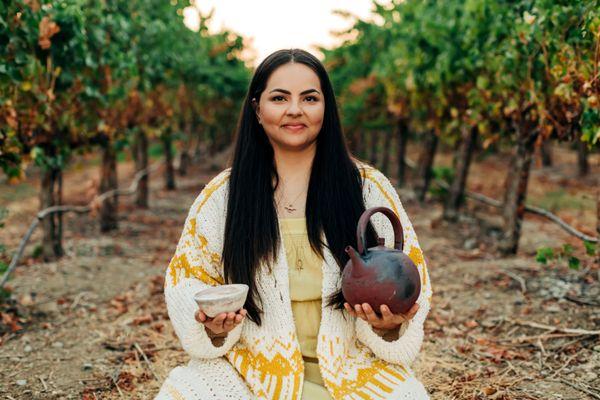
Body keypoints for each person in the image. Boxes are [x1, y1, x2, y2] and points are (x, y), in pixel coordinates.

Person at [155, 48, 432, 400]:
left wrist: (391, 328)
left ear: (326, 108)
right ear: (257, 109)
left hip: (355, 372)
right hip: (248, 374)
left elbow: (412, 277)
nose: (295, 110)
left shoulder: (367, 188)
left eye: (310, 98)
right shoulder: (223, 196)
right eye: (279, 98)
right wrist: (214, 329)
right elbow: (186, 279)